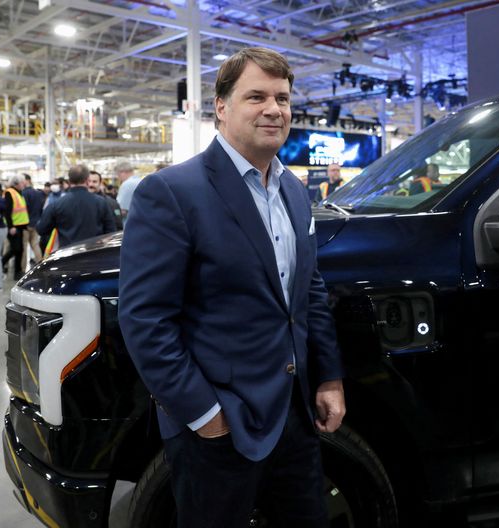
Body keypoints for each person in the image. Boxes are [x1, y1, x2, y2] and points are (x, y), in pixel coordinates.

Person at [119, 47, 345, 528]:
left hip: (295, 417)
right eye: (256, 97)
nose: (274, 110)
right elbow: (144, 317)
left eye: (282, 99)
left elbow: (309, 293)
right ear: (221, 107)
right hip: (219, 426)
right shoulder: (172, 192)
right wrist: (202, 414)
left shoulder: (294, 191)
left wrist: (327, 377)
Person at [37, 165, 117, 248]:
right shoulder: (101, 202)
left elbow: (41, 229)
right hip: (94, 254)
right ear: (87, 180)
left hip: (68, 255)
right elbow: (111, 230)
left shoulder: (57, 204)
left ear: (69, 180)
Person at [0, 175, 30, 280]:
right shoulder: (9, 193)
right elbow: (7, 212)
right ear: (16, 183)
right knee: (16, 249)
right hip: (14, 227)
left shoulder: (19, 193)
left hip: (20, 226)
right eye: (22, 182)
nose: (24, 184)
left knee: (20, 250)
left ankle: (17, 273)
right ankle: (1, 263)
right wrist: (11, 226)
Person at [21, 173, 45, 267]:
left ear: (27, 180)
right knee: (35, 245)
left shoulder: (23, 193)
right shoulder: (39, 193)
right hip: (36, 223)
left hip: (26, 223)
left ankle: (22, 269)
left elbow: (24, 209)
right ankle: (40, 264)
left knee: (24, 247)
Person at [114, 160, 142, 224]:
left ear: (122, 172)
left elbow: (122, 210)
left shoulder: (127, 184)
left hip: (129, 224)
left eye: (118, 174)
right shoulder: (140, 181)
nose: (118, 177)